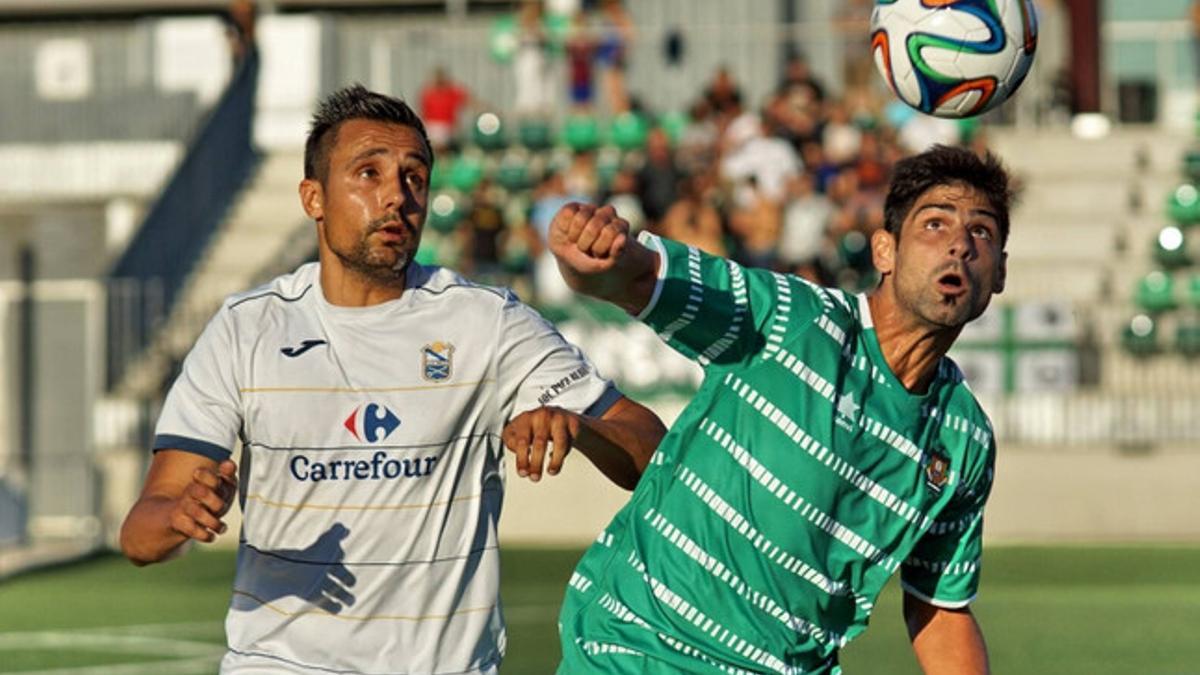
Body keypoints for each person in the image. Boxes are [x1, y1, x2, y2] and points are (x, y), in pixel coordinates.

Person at [118, 84, 665, 675]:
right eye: (368, 174)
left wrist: (578, 425)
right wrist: (178, 517)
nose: (397, 197)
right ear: (313, 198)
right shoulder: (244, 328)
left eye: (414, 178)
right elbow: (141, 535)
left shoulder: (486, 321)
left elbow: (649, 450)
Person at [548, 143, 1009, 674]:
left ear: (998, 274)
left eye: (982, 232)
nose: (959, 246)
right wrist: (587, 255)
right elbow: (631, 276)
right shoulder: (790, 316)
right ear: (884, 251)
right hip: (639, 652)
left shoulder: (962, 438)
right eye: (934, 225)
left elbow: (940, 608)